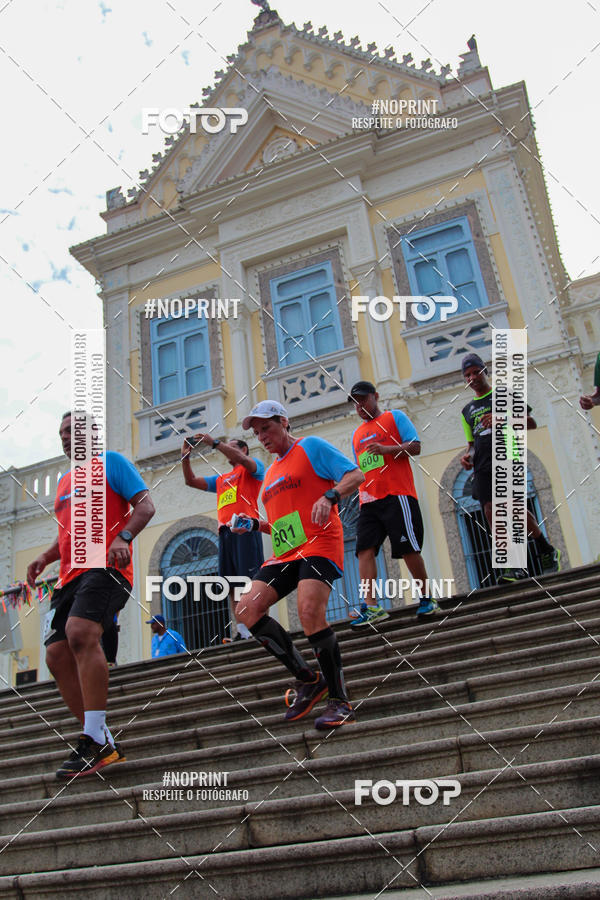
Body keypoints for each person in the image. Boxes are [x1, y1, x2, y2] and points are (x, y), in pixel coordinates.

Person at [26, 411, 155, 778]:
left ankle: (93, 740)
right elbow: (65, 534)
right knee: (55, 655)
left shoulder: (111, 463)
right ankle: (100, 739)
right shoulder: (65, 481)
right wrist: (45, 556)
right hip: (69, 577)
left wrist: (123, 537)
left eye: (74, 431)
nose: (66, 437)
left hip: (107, 568)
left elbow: (145, 506)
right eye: (63, 432)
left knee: (81, 633)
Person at [233, 400, 364, 730]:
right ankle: (308, 678)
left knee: (308, 612)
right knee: (246, 609)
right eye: (257, 432)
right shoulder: (271, 475)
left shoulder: (311, 447)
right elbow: (278, 525)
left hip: (319, 543)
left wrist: (330, 496)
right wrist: (252, 525)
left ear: (284, 422)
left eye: (267, 427)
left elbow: (355, 474)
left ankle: (339, 700)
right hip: (286, 552)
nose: (262, 436)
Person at [460, 353, 561, 582]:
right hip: (482, 465)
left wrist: (502, 419)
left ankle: (544, 548)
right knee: (489, 510)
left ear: (485, 371)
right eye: (468, 375)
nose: (473, 377)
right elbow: (472, 444)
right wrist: (468, 456)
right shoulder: (467, 411)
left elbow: (530, 423)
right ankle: (511, 564)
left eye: (476, 372)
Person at [349, 381, 437, 622]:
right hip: (368, 501)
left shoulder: (394, 417)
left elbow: (416, 446)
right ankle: (372, 606)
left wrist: (387, 449)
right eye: (355, 403)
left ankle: (427, 597)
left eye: (363, 400)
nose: (359, 406)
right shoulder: (356, 435)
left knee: (407, 548)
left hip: (397, 495)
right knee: (363, 551)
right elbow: (362, 467)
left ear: (375, 396)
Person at [181, 434, 265, 641]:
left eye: (232, 445)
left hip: (245, 529)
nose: (226, 449)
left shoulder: (252, 468)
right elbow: (190, 481)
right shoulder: (220, 480)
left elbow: (246, 461)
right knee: (231, 584)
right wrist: (185, 457)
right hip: (225, 533)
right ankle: (242, 630)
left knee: (252, 581)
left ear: (243, 450)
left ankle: (261, 626)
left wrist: (215, 443)